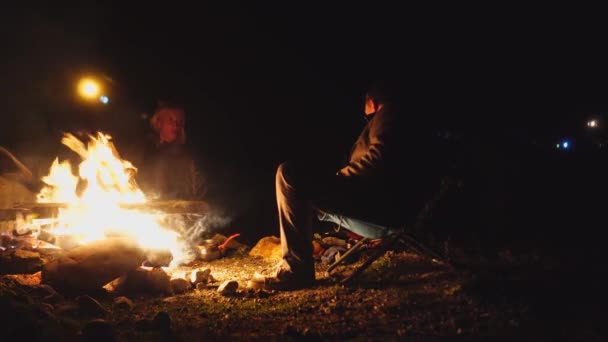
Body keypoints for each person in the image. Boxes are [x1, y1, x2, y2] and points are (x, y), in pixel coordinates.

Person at [253, 80, 437, 290]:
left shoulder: (390, 112)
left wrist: (341, 177)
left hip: (378, 208)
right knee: (302, 190)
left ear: (372, 101)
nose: (366, 116)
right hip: (388, 210)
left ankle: (297, 270)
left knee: (289, 174)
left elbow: (380, 159)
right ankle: (296, 261)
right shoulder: (409, 122)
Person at [136, 102, 207, 200]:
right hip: (149, 208)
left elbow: (200, 190)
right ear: (159, 123)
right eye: (171, 120)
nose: (176, 124)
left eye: (180, 121)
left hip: (180, 212)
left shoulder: (190, 156)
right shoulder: (143, 150)